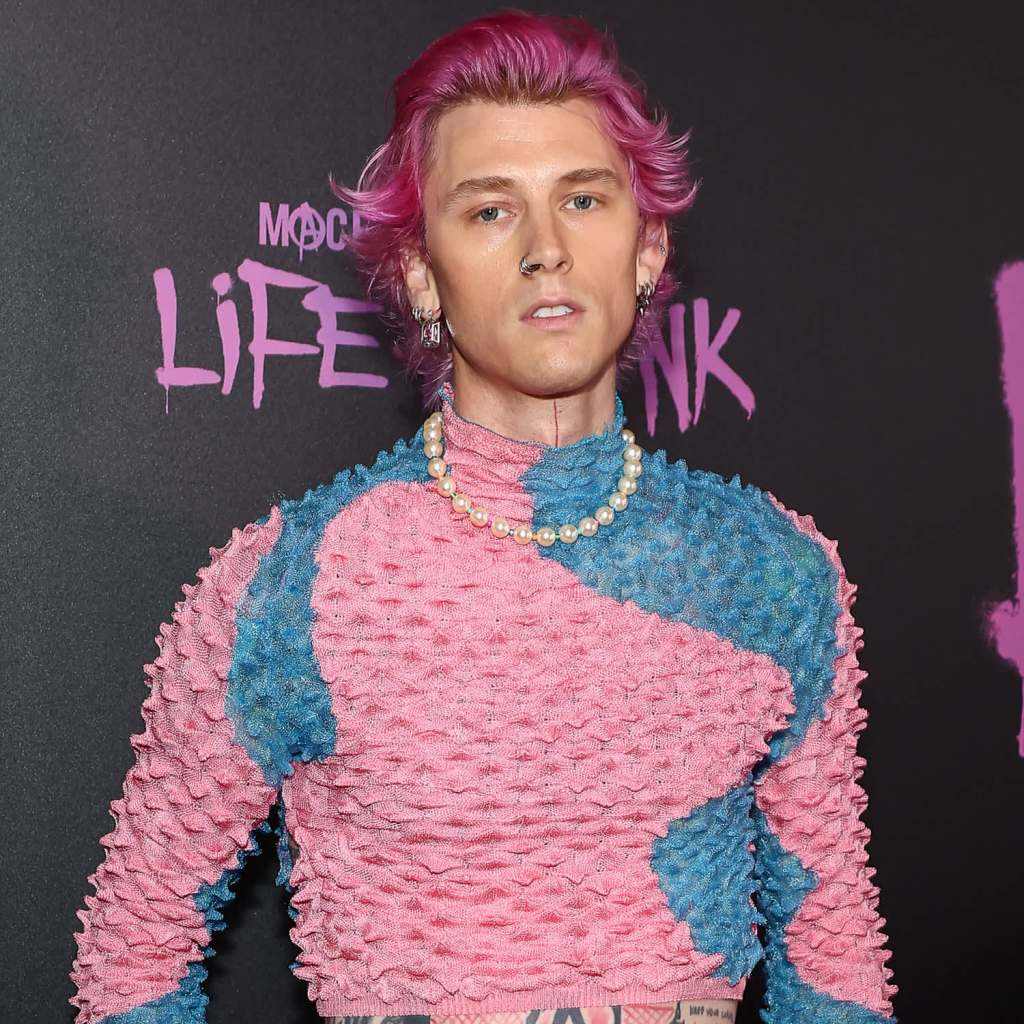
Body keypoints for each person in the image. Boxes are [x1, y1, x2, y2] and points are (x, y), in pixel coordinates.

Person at [68, 9, 898, 1024]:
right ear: (423, 275)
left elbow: (833, 951)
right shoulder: (293, 584)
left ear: (646, 249)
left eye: (583, 199)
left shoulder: (771, 572)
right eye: (491, 211)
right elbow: (136, 945)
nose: (547, 249)